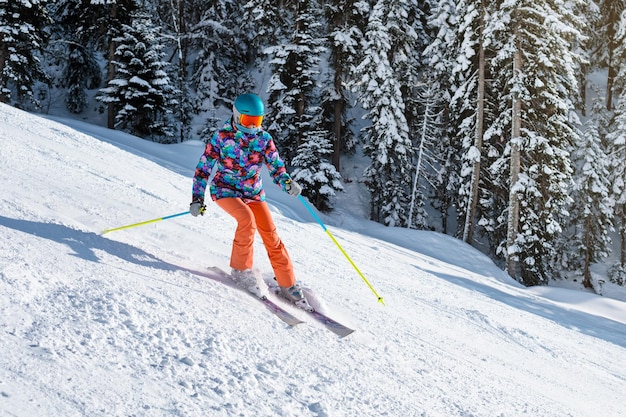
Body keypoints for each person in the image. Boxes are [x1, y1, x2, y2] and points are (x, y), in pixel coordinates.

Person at [190, 93, 310, 309]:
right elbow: (203, 169)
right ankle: (241, 270)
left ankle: (287, 283)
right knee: (246, 220)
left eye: (257, 122)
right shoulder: (221, 137)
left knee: (270, 234)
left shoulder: (264, 140)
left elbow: (276, 166)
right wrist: (197, 198)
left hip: (253, 193)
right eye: (249, 121)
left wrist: (287, 183)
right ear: (237, 117)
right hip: (225, 190)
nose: (253, 126)